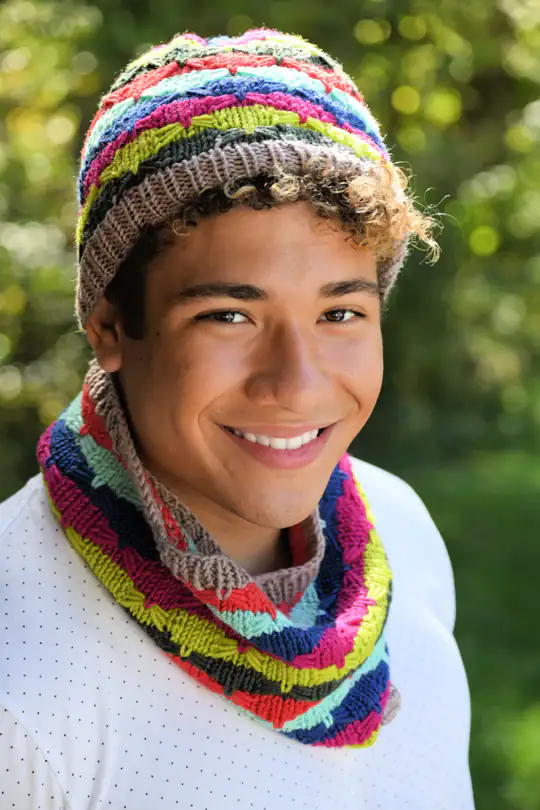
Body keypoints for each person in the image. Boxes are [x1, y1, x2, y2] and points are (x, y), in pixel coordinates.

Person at [0, 28, 475, 810]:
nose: (296, 382)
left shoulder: (400, 532)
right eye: (228, 316)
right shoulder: (25, 686)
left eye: (340, 313)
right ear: (111, 327)